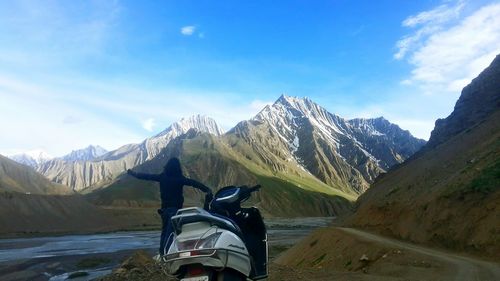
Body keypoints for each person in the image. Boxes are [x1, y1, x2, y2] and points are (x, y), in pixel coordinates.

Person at [127, 157, 213, 256]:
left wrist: (133, 174)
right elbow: (194, 183)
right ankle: (167, 255)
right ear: (178, 168)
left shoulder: (162, 177)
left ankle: (162, 253)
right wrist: (206, 189)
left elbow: (147, 176)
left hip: (164, 210)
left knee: (164, 233)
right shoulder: (179, 179)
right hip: (175, 211)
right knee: (171, 234)